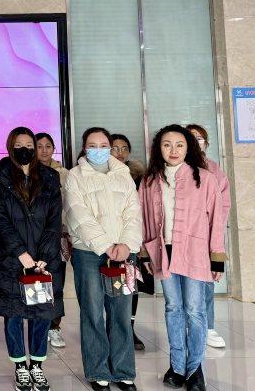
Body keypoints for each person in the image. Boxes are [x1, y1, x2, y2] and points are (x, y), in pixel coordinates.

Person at [139, 125, 226, 391]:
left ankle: (195, 370)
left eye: (180, 144)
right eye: (167, 144)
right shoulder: (150, 181)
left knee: (195, 311)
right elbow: (143, 219)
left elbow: (216, 220)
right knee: (173, 308)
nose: (173, 150)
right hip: (163, 252)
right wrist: (144, 253)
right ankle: (177, 366)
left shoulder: (205, 178)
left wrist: (217, 258)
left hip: (195, 252)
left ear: (188, 148)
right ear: (159, 148)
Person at [64, 127, 141, 391]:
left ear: (110, 147)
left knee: (121, 312)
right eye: (92, 146)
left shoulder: (123, 174)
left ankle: (123, 370)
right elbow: (77, 214)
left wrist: (126, 244)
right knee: (93, 312)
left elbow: (134, 212)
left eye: (103, 145)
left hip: (124, 254)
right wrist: (106, 246)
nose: (99, 150)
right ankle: (98, 370)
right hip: (89, 253)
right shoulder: (75, 176)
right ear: (84, 149)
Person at [0, 127, 64, 391]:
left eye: (29, 145)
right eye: (19, 145)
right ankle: (20, 366)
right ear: (10, 147)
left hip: (44, 260)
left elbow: (54, 220)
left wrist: (44, 256)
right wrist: (20, 252)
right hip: (11, 259)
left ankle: (37, 366)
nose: (25, 150)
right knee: (13, 314)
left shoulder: (51, 177)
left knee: (42, 314)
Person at [186, 124, 231, 350]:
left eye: (200, 138)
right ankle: (188, 326)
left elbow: (223, 205)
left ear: (207, 143)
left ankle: (208, 327)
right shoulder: (175, 167)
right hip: (180, 236)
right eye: (191, 137)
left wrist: (212, 231)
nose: (196, 141)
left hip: (205, 236)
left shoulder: (214, 169)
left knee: (205, 284)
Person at [110, 133, 150, 351]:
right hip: (106, 241)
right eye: (115, 148)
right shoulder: (100, 175)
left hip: (132, 240)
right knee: (108, 287)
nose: (120, 153)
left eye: (124, 148)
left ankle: (129, 329)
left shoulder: (140, 178)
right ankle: (110, 329)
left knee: (130, 287)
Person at [35, 132, 69, 349]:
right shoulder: (26, 173)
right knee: (36, 282)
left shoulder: (64, 174)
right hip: (34, 238)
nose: (44, 150)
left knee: (56, 282)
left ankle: (54, 327)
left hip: (58, 236)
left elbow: (70, 205)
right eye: (39, 146)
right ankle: (38, 326)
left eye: (48, 146)